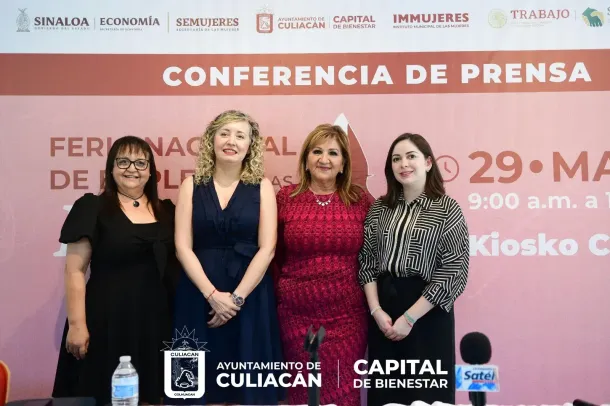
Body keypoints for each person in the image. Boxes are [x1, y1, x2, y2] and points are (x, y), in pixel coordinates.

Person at [52, 136, 179, 405]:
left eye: (140, 163)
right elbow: (74, 270)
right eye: (123, 162)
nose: (132, 169)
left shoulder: (167, 211)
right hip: (106, 320)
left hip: (156, 321)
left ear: (150, 171)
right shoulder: (92, 208)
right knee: (106, 395)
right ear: (111, 168)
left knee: (153, 396)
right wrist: (77, 325)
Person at [173, 110, 285, 405]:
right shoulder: (190, 185)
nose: (231, 141)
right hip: (198, 296)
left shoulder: (262, 186)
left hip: (249, 298)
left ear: (250, 145)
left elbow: (268, 248)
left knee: (247, 390)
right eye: (224, 133)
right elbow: (182, 247)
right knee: (193, 388)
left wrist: (235, 300)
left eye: (240, 135)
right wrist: (212, 296)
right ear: (211, 140)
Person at [358, 133, 470, 406]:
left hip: (427, 313)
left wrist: (409, 318)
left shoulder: (447, 209)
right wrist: (376, 311)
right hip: (384, 312)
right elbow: (367, 262)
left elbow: (454, 270)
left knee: (427, 396)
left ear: (428, 163)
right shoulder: (379, 209)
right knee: (386, 395)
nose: (403, 164)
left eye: (411, 156)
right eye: (396, 159)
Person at [274, 124, 371, 406]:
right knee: (302, 395)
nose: (324, 159)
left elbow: (371, 258)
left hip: (348, 320)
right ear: (306, 159)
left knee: (343, 395)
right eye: (317, 151)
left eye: (333, 153)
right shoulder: (286, 198)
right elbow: (274, 255)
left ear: (343, 164)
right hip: (296, 318)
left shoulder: (360, 200)